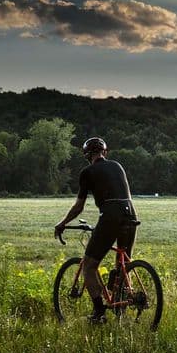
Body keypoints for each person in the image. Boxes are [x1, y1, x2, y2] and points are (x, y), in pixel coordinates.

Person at [54, 137, 138, 323]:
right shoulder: (117, 166)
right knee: (124, 263)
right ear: (105, 152)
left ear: (86, 155)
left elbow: (79, 207)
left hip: (110, 216)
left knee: (89, 266)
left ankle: (99, 312)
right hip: (131, 214)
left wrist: (62, 223)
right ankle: (123, 305)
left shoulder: (87, 172)